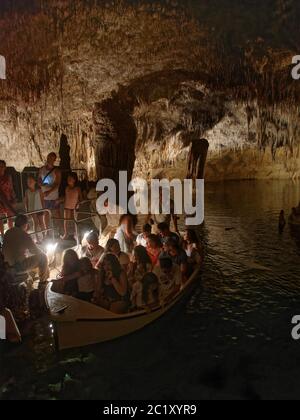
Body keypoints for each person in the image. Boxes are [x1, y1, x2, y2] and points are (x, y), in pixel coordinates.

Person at [2, 214, 49, 283]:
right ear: (25, 225)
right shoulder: (24, 235)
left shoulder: (8, 232)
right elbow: (35, 251)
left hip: (6, 266)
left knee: (28, 257)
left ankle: (32, 276)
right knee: (43, 257)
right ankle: (43, 282)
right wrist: (44, 252)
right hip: (17, 267)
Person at [38, 153, 62, 231]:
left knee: (57, 213)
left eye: (52, 158)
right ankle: (47, 231)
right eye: (49, 157)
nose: (50, 160)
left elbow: (57, 184)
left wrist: (49, 191)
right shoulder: (41, 169)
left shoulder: (57, 171)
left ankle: (60, 230)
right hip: (44, 196)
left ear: (54, 160)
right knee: (46, 213)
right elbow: (39, 179)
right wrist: (40, 183)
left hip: (53, 196)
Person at [61, 172, 82, 240]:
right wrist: (59, 200)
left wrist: (79, 203)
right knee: (65, 220)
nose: (68, 179)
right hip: (67, 206)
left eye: (70, 178)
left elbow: (81, 198)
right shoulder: (66, 188)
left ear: (74, 179)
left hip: (75, 207)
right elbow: (66, 197)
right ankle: (66, 233)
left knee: (75, 221)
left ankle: (75, 234)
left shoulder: (78, 188)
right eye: (68, 178)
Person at [25, 175, 46, 243]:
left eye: (31, 181)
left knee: (41, 223)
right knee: (35, 223)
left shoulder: (39, 190)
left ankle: (44, 236)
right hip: (32, 210)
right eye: (28, 181)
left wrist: (43, 209)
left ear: (35, 182)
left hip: (39, 208)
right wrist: (27, 211)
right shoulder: (27, 191)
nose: (29, 182)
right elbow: (26, 202)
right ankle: (37, 238)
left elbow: (42, 200)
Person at [0, 160, 16, 237]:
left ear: (5, 167)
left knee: (9, 217)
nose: (1, 168)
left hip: (8, 198)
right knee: (1, 219)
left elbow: (11, 187)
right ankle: (2, 236)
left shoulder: (8, 176)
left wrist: (13, 197)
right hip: (1, 200)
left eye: (2, 166)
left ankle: (11, 233)